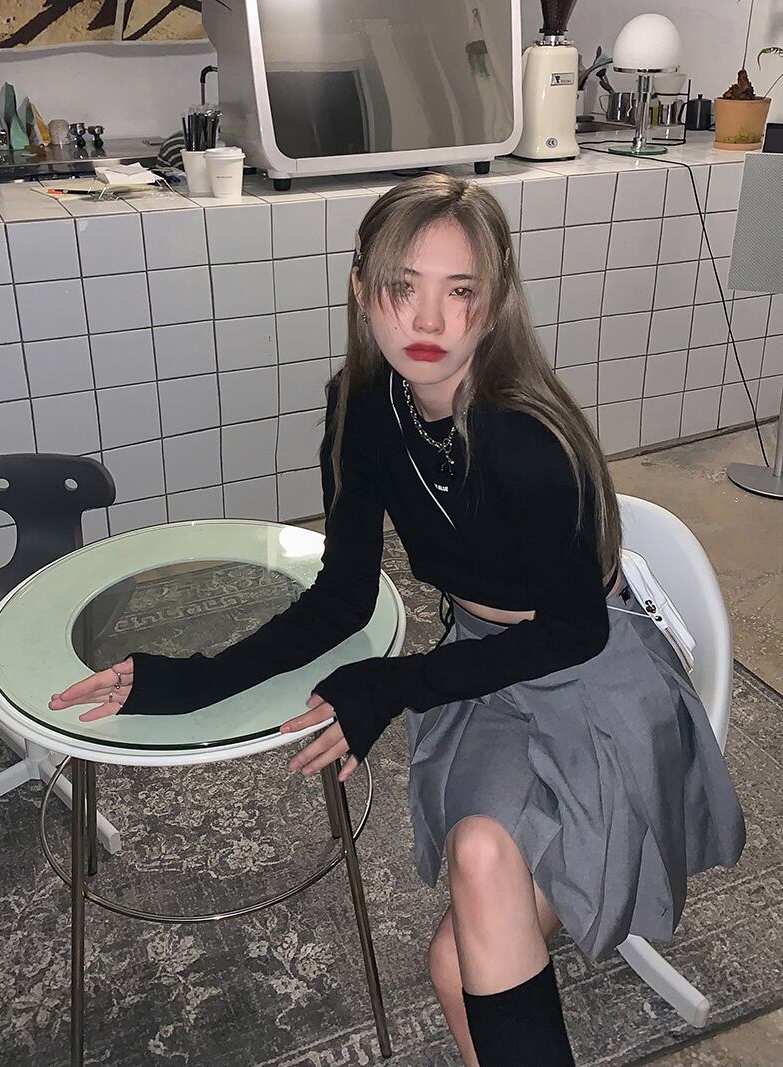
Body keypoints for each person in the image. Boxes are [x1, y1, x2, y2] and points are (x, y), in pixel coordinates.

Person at [49, 174, 746, 1067]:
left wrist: (391, 683)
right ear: (359, 287)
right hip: (487, 663)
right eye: (401, 286)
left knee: (457, 958)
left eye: (460, 291)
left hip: (597, 673)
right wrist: (190, 679)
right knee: (473, 900)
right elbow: (343, 595)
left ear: (494, 303)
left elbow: (574, 632)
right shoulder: (361, 408)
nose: (428, 319)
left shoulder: (525, 439)